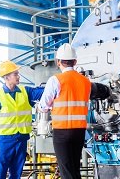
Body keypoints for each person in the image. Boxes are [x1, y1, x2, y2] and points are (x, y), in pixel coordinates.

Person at [38, 43, 91, 179]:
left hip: (62, 132)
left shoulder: (55, 80)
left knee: (66, 171)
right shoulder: (86, 82)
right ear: (75, 61)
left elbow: (44, 105)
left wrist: (42, 107)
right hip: (79, 131)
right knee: (74, 169)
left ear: (58, 62)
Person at [0, 60, 44, 179]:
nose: (18, 76)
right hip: (4, 141)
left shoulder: (25, 92)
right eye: (15, 74)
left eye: (18, 74)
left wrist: (58, 83)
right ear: (6, 77)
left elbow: (42, 92)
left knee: (16, 174)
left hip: (21, 140)